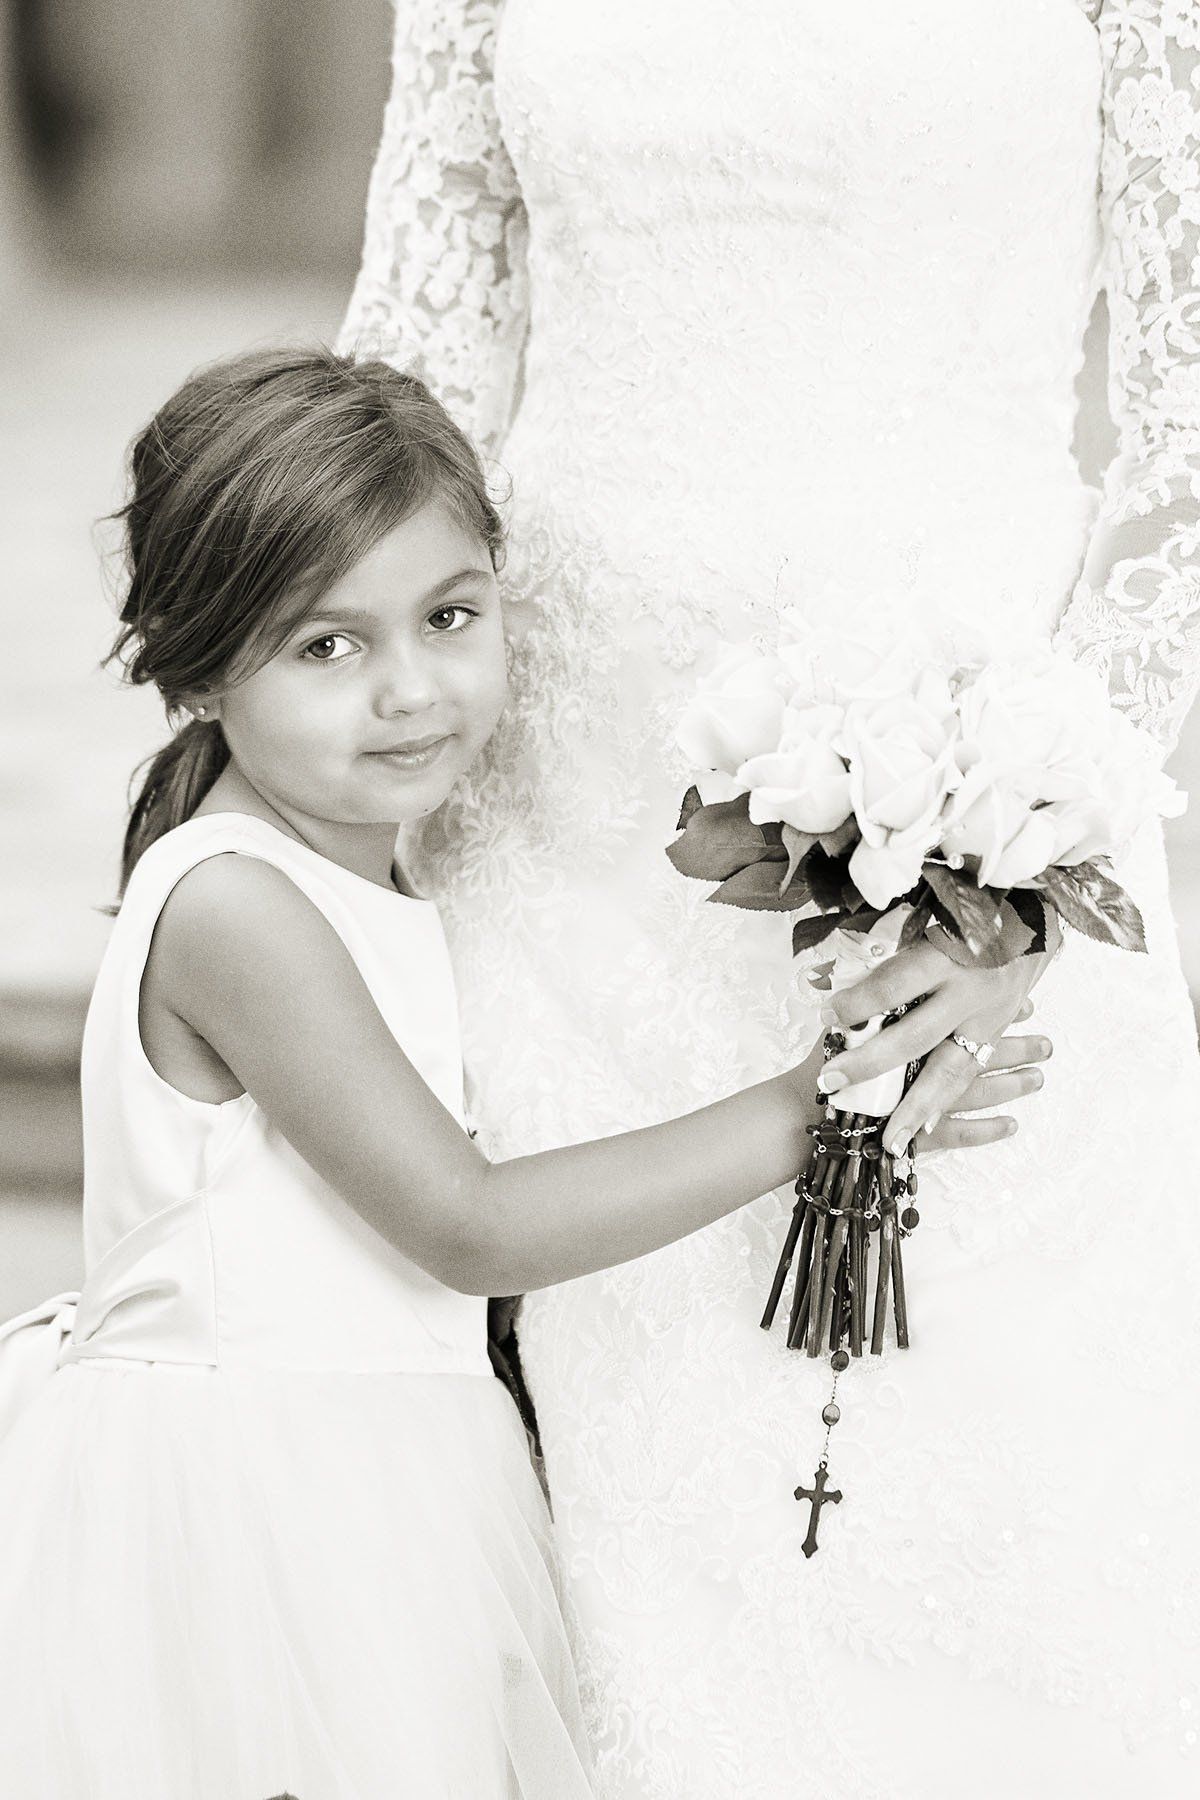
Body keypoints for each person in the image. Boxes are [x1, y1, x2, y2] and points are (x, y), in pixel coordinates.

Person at [337, 3, 1200, 1793]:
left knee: (1005, 1509)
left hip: (990, 820)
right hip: (562, 817)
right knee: (631, 1512)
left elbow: (1189, 452)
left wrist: (1040, 851)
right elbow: (402, 382)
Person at [0, 347, 1038, 1797]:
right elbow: (467, 1225)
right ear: (196, 665)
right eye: (326, 646)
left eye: (448, 616)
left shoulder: (352, 873)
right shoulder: (238, 905)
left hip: (374, 1479)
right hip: (255, 1508)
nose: (412, 690)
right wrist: (814, 1102)